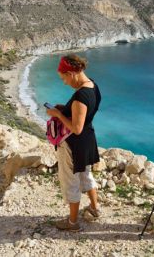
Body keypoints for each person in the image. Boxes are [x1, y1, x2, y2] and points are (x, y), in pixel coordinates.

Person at [46, 54, 101, 232]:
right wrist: (66, 109)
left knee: (70, 181)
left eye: (64, 78)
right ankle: (94, 208)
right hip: (88, 140)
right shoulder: (93, 86)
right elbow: (84, 116)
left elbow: (76, 128)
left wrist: (59, 115)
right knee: (85, 174)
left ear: (71, 73)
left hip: (73, 144)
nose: (64, 83)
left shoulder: (80, 96)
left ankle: (72, 223)